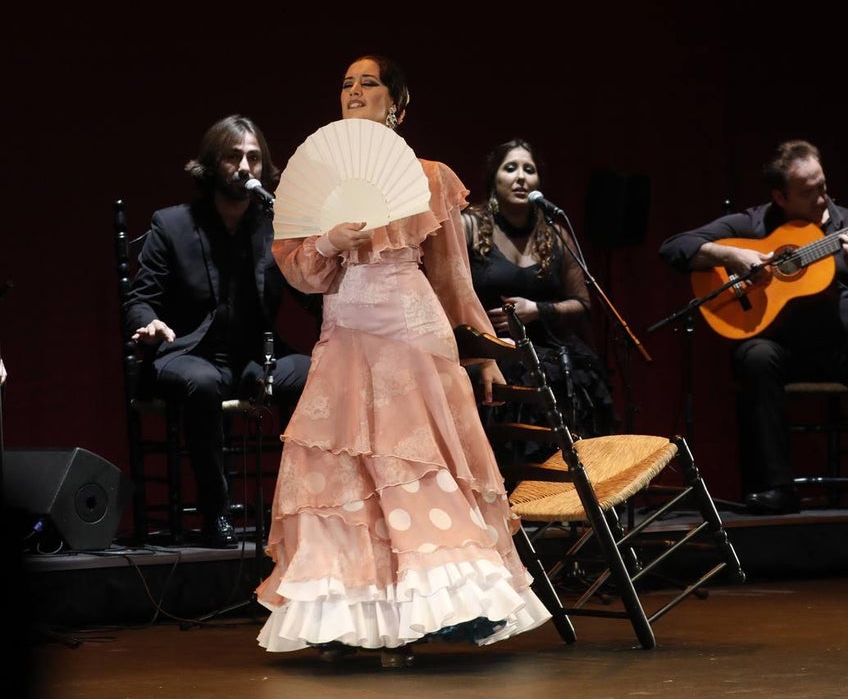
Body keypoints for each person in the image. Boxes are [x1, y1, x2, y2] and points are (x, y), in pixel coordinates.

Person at [255, 54, 550, 668]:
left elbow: (451, 276)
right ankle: (347, 618)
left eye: (369, 84)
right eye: (345, 84)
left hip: (412, 335)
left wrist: (482, 352)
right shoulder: (319, 181)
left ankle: (425, 615)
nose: (354, 92)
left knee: (410, 466)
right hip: (345, 334)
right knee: (337, 472)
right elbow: (302, 273)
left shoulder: (431, 178)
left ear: (398, 104)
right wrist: (331, 241)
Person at [658, 139, 848, 515]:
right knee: (754, 357)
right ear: (780, 197)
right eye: (808, 192)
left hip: (839, 348)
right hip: (780, 350)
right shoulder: (753, 224)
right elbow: (674, 248)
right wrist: (730, 253)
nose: (822, 199)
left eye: (823, 187)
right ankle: (775, 488)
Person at [122, 114, 312, 548]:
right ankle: (215, 513)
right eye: (233, 157)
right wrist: (147, 324)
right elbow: (140, 299)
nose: (244, 168)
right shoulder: (171, 225)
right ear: (211, 165)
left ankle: (302, 509)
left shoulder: (274, 229)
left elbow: (307, 292)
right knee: (203, 383)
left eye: (254, 159)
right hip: (187, 355)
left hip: (252, 359)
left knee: (314, 372)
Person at [462, 138, 616, 465]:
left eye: (529, 170)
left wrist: (537, 310)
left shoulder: (555, 233)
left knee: (577, 370)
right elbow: (448, 289)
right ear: (494, 178)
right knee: (519, 371)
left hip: (548, 344)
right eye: (511, 168)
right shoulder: (470, 226)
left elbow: (582, 303)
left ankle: (570, 487)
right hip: (490, 346)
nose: (521, 177)